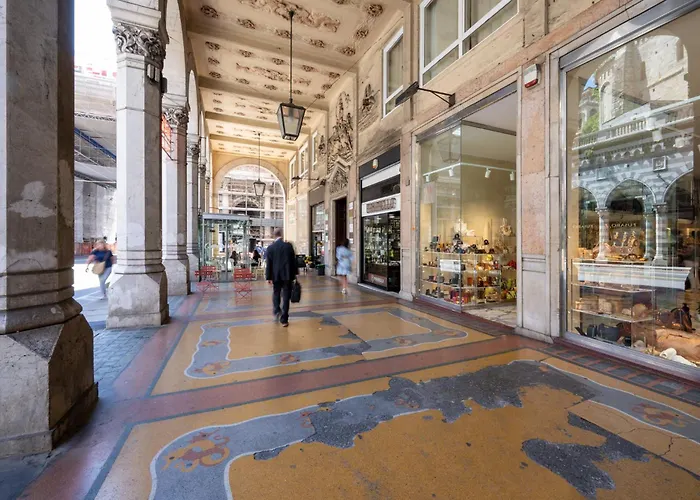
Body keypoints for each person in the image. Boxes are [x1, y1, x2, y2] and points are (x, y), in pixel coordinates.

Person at [265, 229, 298, 327]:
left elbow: (269, 264)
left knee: (276, 293)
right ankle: (284, 319)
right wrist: (294, 274)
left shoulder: (270, 248)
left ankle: (276, 310)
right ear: (281, 235)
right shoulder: (288, 246)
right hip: (287, 275)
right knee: (286, 296)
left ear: (274, 236)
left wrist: (269, 277)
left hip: (276, 275)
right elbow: (293, 261)